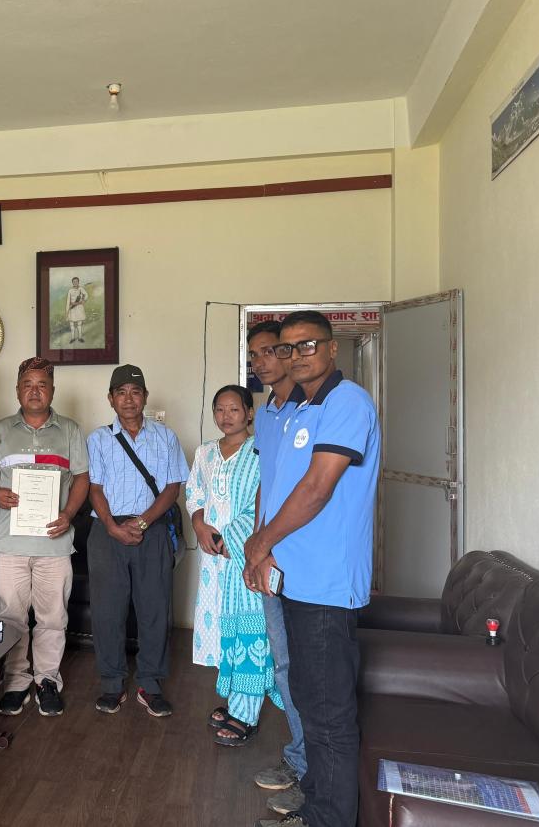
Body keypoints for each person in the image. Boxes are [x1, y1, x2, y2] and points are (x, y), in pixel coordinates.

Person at [245, 311, 381, 827]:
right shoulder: (297, 410)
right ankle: (316, 808)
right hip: (295, 579)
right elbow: (279, 486)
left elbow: (317, 489)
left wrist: (260, 543)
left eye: (307, 345)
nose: (295, 356)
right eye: (287, 348)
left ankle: (329, 818)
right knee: (307, 698)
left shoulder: (347, 402)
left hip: (326, 584)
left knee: (328, 715)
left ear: (332, 348)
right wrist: (264, 553)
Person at [0, 357, 89, 717]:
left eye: (42, 384)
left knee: (53, 617)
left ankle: (47, 681)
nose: (34, 390)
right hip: (10, 542)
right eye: (27, 384)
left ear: (52, 391)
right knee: (10, 617)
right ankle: (15, 681)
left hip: (54, 542)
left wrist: (68, 514)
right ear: (17, 390)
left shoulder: (70, 430)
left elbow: (82, 478)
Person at [87, 364, 189, 717]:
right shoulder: (98, 439)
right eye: (121, 393)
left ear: (145, 397)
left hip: (153, 529)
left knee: (155, 610)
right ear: (110, 399)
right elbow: (95, 488)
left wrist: (143, 521)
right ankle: (112, 683)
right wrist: (113, 527)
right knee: (107, 612)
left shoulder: (166, 437)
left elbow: (172, 488)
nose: (128, 399)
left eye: (135, 392)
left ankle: (150, 684)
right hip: (107, 532)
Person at [187, 385, 282, 746]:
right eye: (220, 410)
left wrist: (233, 538)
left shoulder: (260, 452)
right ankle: (236, 702)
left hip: (244, 557)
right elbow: (194, 492)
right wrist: (199, 524)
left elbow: (264, 503)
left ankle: (246, 715)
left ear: (249, 413)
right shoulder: (205, 452)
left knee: (249, 632)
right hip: (213, 560)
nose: (226, 417)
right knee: (225, 631)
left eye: (234, 409)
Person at [247, 320, 308, 818]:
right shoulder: (267, 412)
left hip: (308, 560)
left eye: (269, 351)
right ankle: (300, 757)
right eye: (254, 355)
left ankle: (315, 773)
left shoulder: (316, 408)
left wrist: (267, 544)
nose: (261, 362)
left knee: (313, 670)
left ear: (290, 353)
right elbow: (267, 485)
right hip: (270, 556)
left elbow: (315, 492)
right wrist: (256, 547)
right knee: (285, 664)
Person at [65, 276, 88, 344]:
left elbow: (86, 295)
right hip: (72, 308)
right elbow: (68, 301)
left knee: (79, 324)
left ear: (78, 282)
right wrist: (67, 311)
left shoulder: (81, 289)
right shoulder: (70, 290)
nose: (75, 283)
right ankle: (72, 338)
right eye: (74, 281)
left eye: (76, 281)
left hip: (79, 308)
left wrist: (83, 300)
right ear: (72, 282)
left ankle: (80, 337)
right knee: (71, 324)